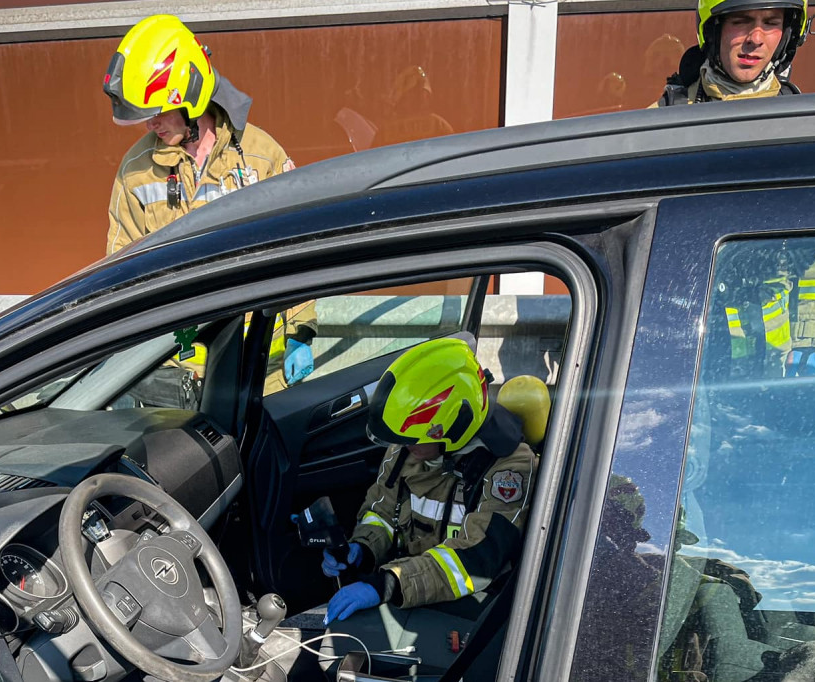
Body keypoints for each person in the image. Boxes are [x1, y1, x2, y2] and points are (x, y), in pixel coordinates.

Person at [102, 15, 316, 394]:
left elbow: (297, 249)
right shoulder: (136, 172)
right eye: (144, 116)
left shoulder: (261, 157)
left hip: (260, 369)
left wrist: (302, 329)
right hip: (175, 375)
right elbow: (121, 269)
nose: (150, 125)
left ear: (192, 98)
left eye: (158, 112)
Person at [317, 338, 545, 672]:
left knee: (349, 661)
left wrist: (389, 583)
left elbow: (473, 563)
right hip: (412, 583)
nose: (401, 447)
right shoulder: (409, 445)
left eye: (412, 440)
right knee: (339, 651)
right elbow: (381, 510)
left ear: (453, 427)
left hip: (475, 602)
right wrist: (361, 548)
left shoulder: (508, 468)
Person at [654, 0, 815, 377]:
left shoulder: (802, 131)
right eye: (741, 22)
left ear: (788, 35)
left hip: (768, 361)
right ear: (714, 30)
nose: (755, 39)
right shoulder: (664, 123)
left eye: (770, 23)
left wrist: (807, 342)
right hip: (682, 344)